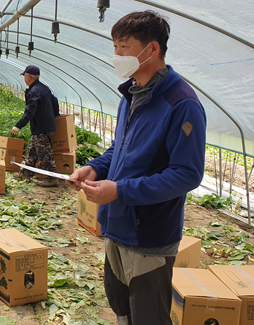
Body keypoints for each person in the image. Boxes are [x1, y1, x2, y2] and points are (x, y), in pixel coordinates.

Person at [67, 11, 206, 325]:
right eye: (115, 47)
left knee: (149, 316)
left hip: (149, 234)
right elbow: (121, 147)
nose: (116, 56)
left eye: (124, 47)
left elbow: (187, 174)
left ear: (152, 49)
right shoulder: (130, 95)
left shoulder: (181, 103)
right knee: (121, 308)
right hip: (116, 226)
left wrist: (119, 190)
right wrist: (96, 168)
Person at [11, 65, 60, 187]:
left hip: (42, 127)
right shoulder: (44, 88)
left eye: (25, 76)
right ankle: (27, 173)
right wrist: (54, 116)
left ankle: (52, 179)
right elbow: (55, 102)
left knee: (44, 154)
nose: (24, 78)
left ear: (28, 77)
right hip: (44, 126)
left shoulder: (34, 91)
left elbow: (30, 111)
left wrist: (19, 125)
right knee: (32, 150)